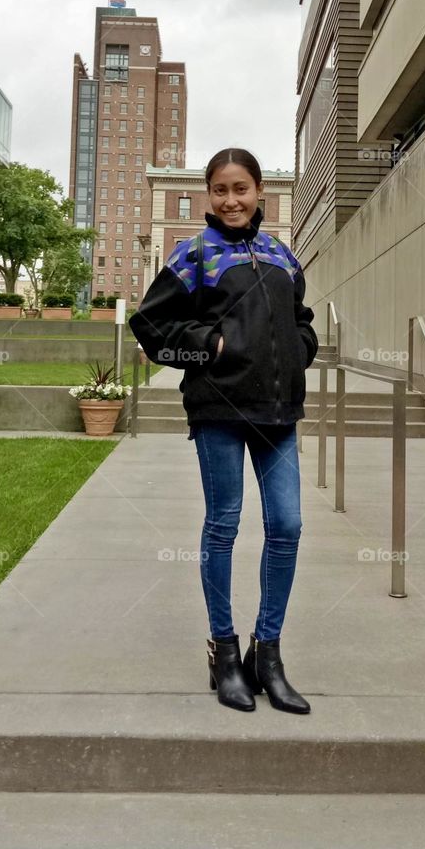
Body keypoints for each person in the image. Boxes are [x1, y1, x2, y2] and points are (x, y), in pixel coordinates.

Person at [128, 147, 318, 714]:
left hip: (279, 414)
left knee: (287, 525)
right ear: (209, 196)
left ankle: (269, 654)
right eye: (220, 190)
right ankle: (225, 652)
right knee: (225, 525)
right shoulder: (195, 254)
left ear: (260, 192)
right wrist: (207, 346)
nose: (231, 200)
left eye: (241, 189)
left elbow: (302, 320)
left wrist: (299, 350)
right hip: (219, 412)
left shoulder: (281, 254)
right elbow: (149, 323)